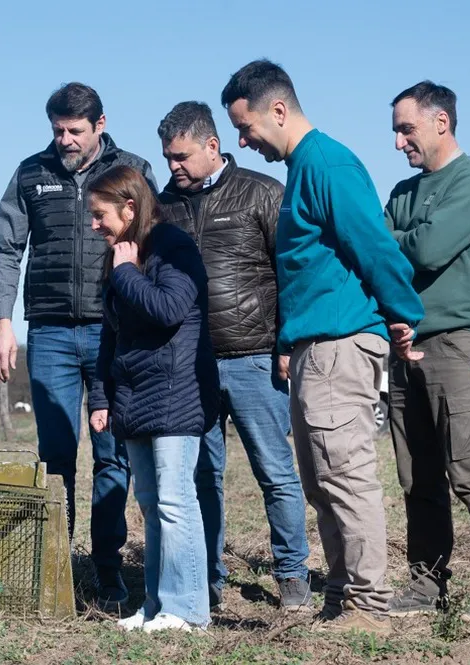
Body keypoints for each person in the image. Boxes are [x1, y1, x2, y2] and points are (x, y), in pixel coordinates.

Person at [221, 59, 425, 635]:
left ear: (277, 110)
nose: (243, 142)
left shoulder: (328, 164)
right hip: (313, 348)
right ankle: (340, 597)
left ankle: (368, 606)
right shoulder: (301, 170)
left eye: (246, 128)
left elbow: (375, 246)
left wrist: (404, 315)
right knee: (319, 479)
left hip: (340, 345)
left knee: (346, 474)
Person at [0, 82, 159, 609]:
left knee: (113, 454)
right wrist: (2, 323)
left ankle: (108, 570)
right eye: (57, 130)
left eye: (75, 130)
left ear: (100, 125)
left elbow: (154, 240)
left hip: (115, 329)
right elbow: (7, 249)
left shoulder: (132, 171)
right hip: (50, 333)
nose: (64, 139)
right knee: (56, 454)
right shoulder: (30, 173)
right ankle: (55, 569)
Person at [156, 101, 312, 611]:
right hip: (189, 365)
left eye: (181, 156)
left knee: (275, 471)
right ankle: (206, 580)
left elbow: (292, 272)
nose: (173, 166)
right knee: (201, 478)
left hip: (254, 359)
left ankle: (292, 577)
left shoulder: (262, 193)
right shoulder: (163, 207)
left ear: (212, 145)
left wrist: (286, 342)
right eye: (167, 157)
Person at [384, 81, 470, 621]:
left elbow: (427, 249)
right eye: (396, 131)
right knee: (417, 477)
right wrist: (401, 242)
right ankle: (425, 587)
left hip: (461, 344)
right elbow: (377, 253)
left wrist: (400, 240)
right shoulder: (402, 191)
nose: (398, 142)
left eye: (406, 129)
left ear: (441, 122)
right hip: (405, 344)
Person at [87, 165, 218, 633]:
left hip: (175, 394)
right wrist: (100, 396)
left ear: (129, 208)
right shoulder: (121, 256)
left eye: (100, 215)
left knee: (175, 502)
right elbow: (111, 334)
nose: (94, 225)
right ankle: (157, 604)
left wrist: (125, 271)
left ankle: (187, 610)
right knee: (150, 502)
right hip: (134, 397)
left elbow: (169, 309)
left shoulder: (171, 246)